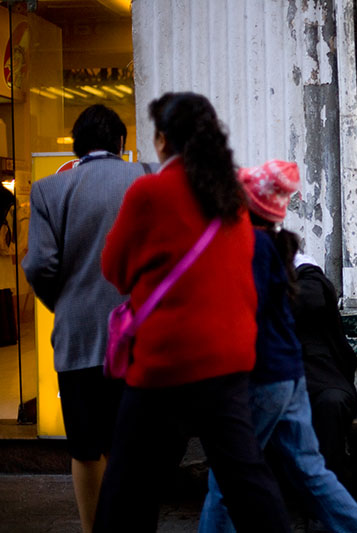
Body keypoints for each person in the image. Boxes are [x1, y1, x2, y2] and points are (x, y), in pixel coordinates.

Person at [95, 93, 289, 532]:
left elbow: (115, 269)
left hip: (168, 360)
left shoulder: (150, 191)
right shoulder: (232, 196)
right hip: (230, 358)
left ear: (162, 139)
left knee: (128, 485)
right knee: (247, 479)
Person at [199, 160, 357, 533]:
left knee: (227, 476)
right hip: (288, 377)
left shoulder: (249, 252)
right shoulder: (271, 249)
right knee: (313, 473)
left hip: (260, 379)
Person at [21, 104, 153, 533]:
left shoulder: (47, 191)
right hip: (138, 338)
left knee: (83, 447)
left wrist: (64, 301)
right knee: (128, 443)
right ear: (120, 143)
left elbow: (39, 265)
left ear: (77, 146)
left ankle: (92, 527)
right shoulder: (147, 179)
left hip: (78, 338)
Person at [291, 252, 357, 491]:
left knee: (331, 403)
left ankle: (327, 491)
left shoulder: (306, 272)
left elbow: (311, 300)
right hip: (269, 375)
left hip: (322, 375)